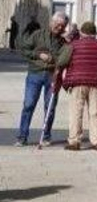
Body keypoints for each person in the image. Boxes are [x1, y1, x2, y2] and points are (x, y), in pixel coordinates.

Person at [56, 19, 97, 151]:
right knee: (96, 112)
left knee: (76, 111)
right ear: (95, 33)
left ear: (81, 33)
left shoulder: (74, 45)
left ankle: (75, 141)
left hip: (77, 83)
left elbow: (61, 61)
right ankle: (96, 141)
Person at [15, 13, 67, 147]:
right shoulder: (38, 35)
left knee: (50, 107)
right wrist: (37, 54)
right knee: (28, 105)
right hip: (35, 73)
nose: (59, 27)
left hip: (52, 75)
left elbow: (64, 59)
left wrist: (54, 60)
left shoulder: (63, 42)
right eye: (57, 24)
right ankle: (22, 137)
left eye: (62, 26)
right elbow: (24, 48)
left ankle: (46, 136)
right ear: (51, 22)